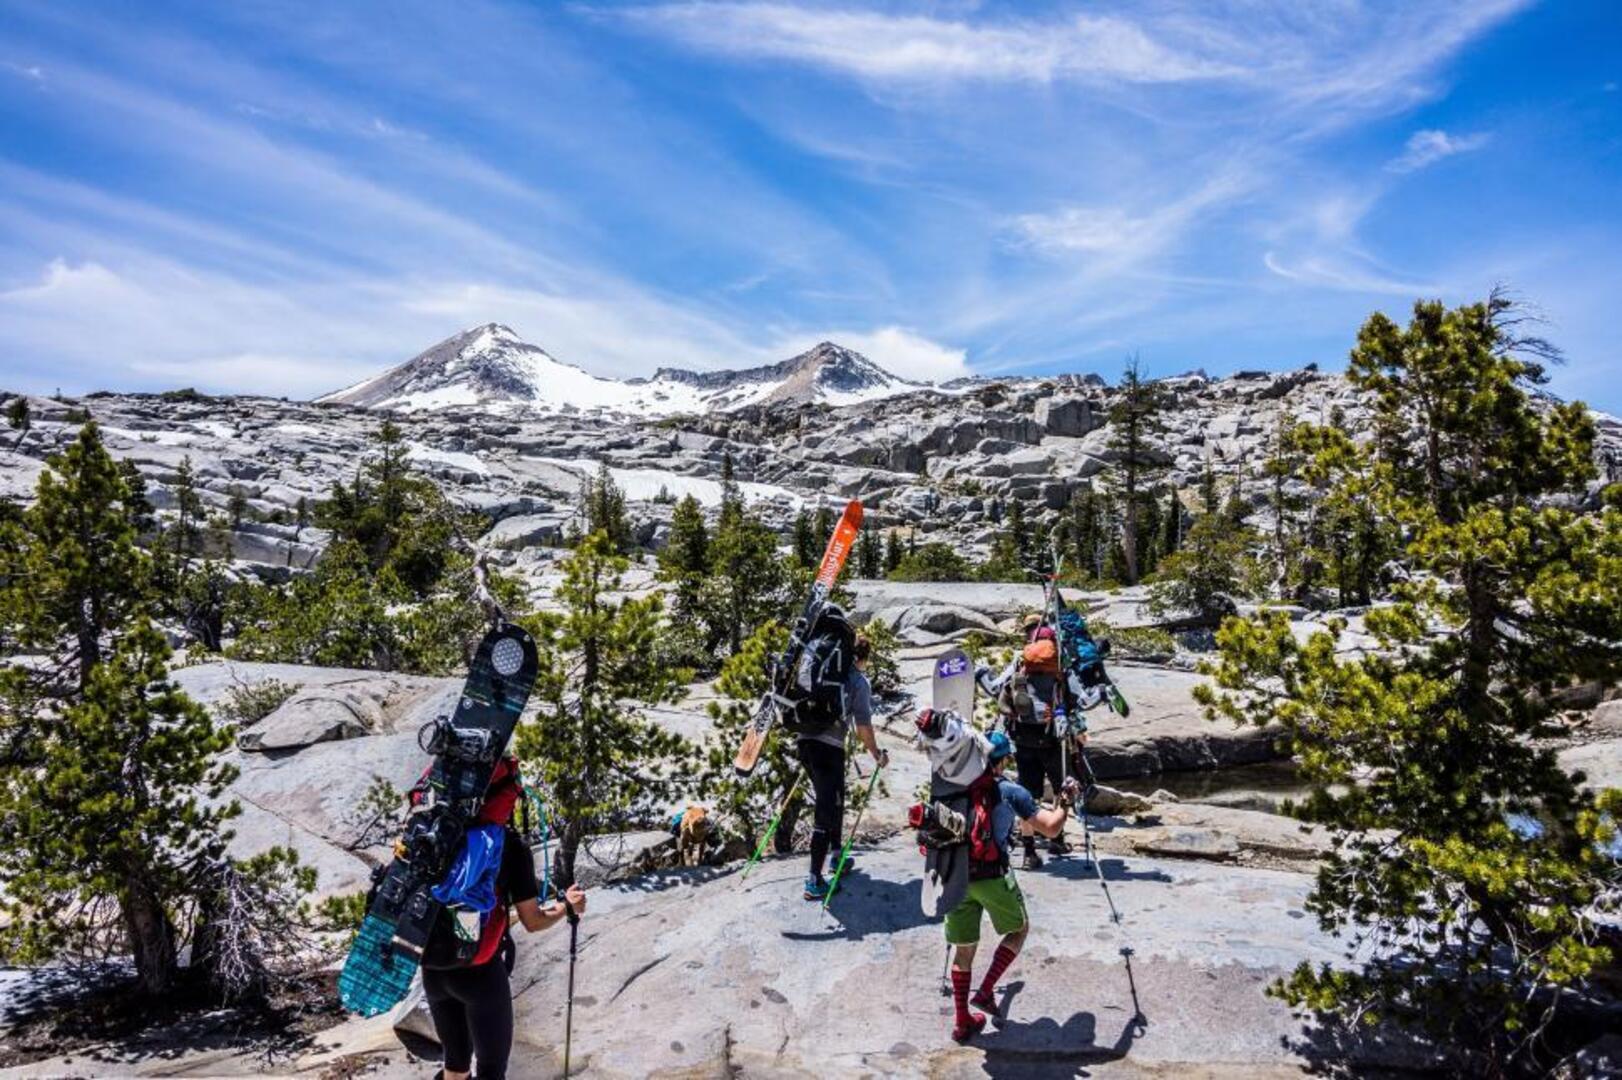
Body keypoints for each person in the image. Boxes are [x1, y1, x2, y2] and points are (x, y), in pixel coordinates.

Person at [417, 757, 588, 1080]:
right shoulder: (508, 846)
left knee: (454, 1065)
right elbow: (533, 921)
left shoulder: (431, 834)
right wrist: (568, 906)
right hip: (481, 976)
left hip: (433, 969)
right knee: (492, 1069)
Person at [943, 731, 1077, 1043]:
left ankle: (962, 1021)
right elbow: (1052, 827)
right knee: (1019, 928)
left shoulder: (954, 786)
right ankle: (987, 990)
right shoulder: (1009, 790)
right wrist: (1065, 800)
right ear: (1002, 761)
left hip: (957, 877)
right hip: (992, 874)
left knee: (963, 949)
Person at [978, 617, 1088, 869]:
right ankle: (1057, 838)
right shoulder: (1059, 662)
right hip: (1053, 739)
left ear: (1028, 634)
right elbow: (1078, 699)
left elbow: (997, 689)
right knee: (1062, 788)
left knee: (1027, 795)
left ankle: (1029, 853)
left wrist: (982, 674)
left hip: (1023, 738)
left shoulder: (1020, 660)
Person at [798, 633, 888, 901]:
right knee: (826, 809)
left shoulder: (822, 670)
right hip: (829, 748)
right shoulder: (858, 681)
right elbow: (863, 727)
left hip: (804, 742)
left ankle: (837, 856)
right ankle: (814, 879)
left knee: (835, 800)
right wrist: (876, 754)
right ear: (863, 658)